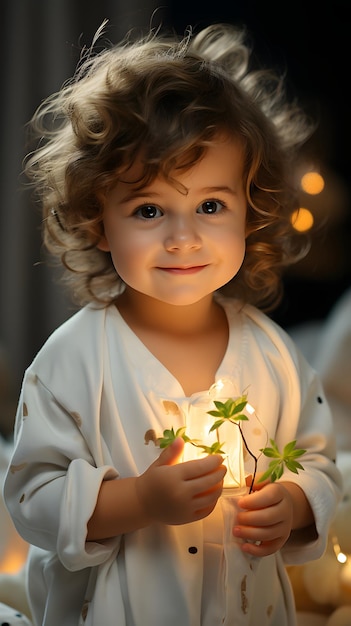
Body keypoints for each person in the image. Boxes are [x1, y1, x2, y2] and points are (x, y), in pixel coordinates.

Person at [3, 21, 342, 626]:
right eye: (150, 208)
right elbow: (30, 499)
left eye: (211, 205)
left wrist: (292, 505)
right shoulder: (75, 359)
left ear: (250, 210)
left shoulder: (270, 352)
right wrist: (136, 499)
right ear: (98, 221)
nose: (183, 237)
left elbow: (319, 458)